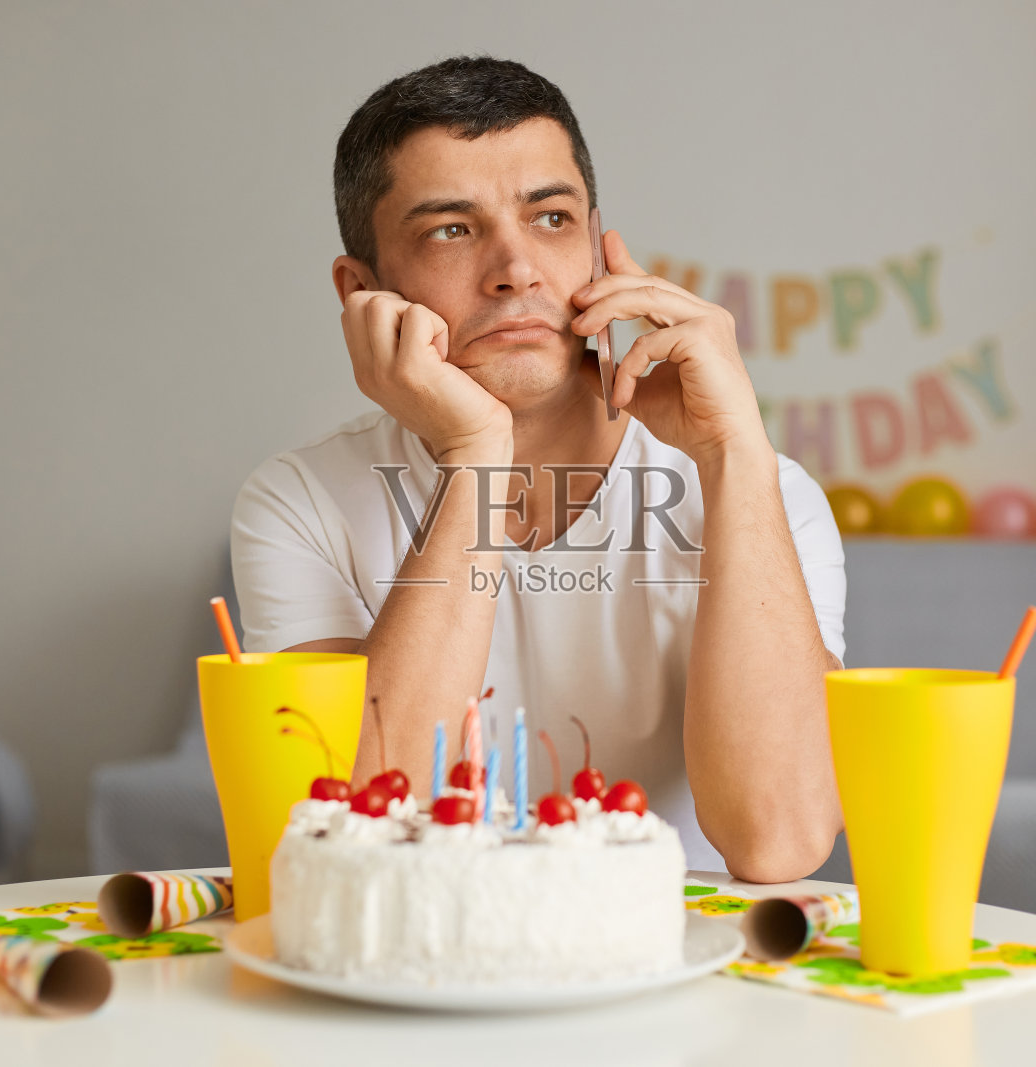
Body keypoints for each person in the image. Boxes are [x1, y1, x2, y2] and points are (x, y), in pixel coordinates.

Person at [231, 56, 845, 881]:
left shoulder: (758, 491)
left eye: (551, 218)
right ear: (361, 290)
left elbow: (779, 841)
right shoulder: (298, 502)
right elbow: (358, 835)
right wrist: (477, 453)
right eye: (451, 228)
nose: (516, 268)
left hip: (675, 979)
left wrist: (735, 452)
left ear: (599, 249)